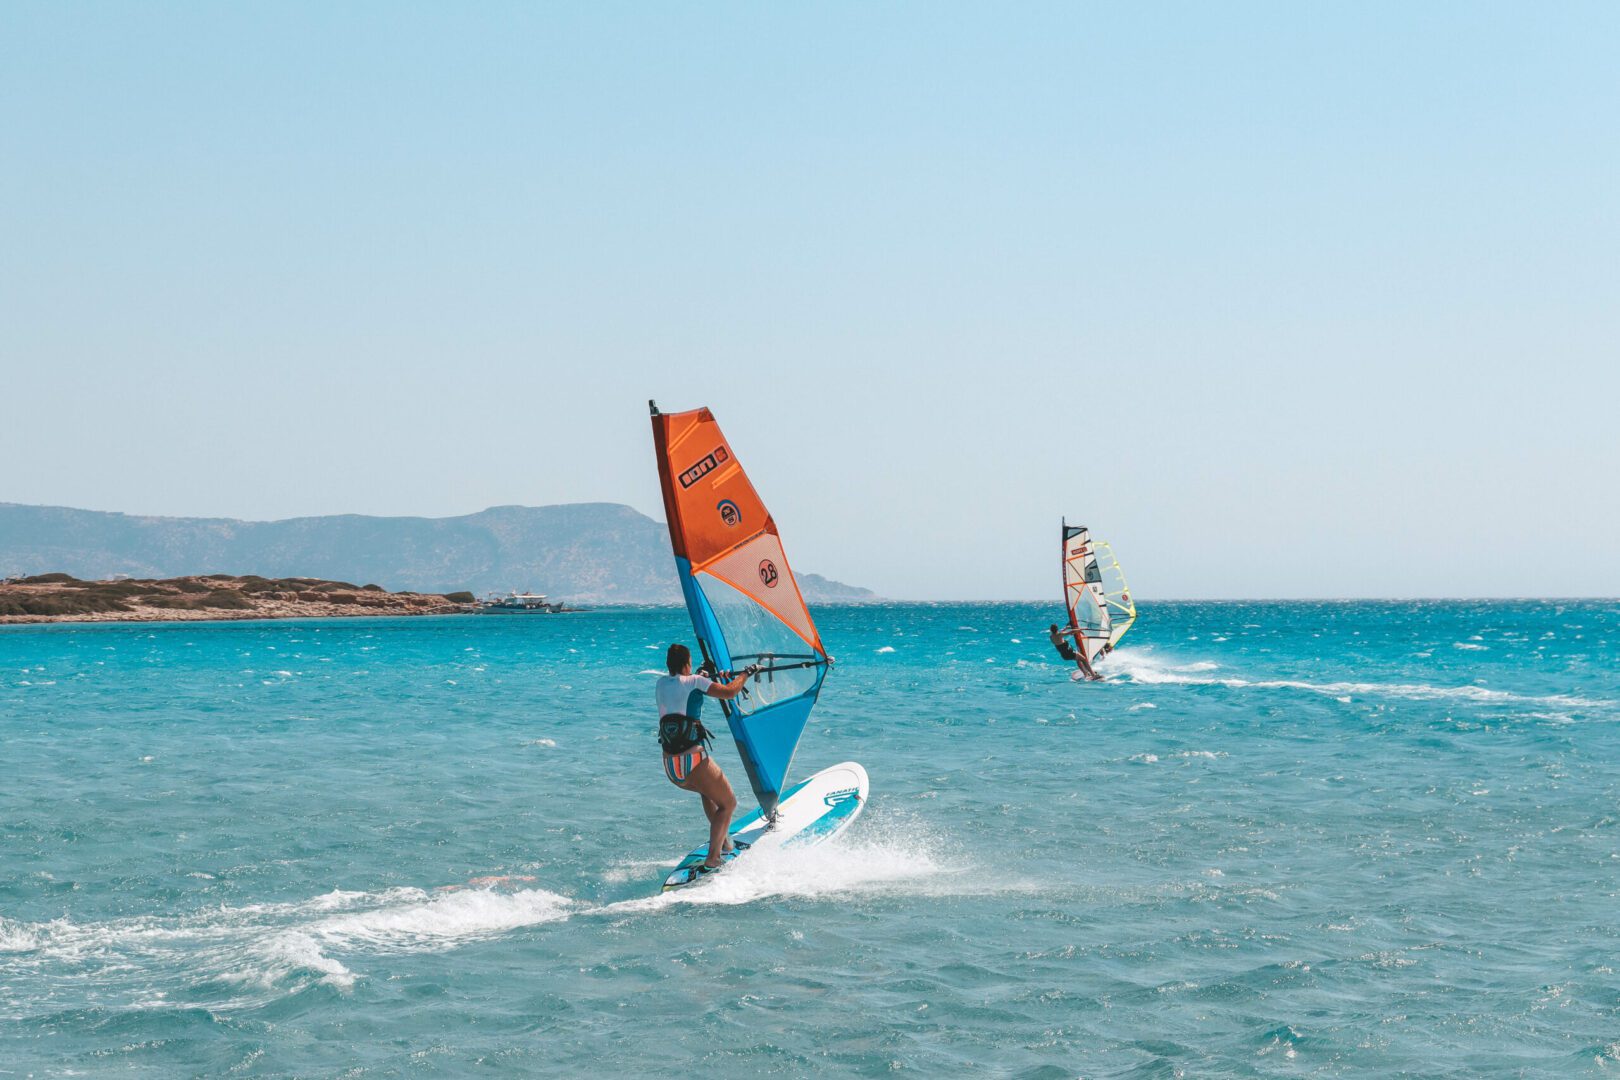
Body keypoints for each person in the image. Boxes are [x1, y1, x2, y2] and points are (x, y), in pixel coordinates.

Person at [656, 643, 757, 872]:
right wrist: (747, 673)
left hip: (671, 766)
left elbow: (685, 690)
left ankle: (724, 843)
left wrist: (703, 676)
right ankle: (713, 857)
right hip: (693, 760)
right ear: (686, 664)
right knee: (729, 803)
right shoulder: (694, 682)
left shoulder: (661, 683)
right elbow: (731, 691)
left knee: (707, 792)